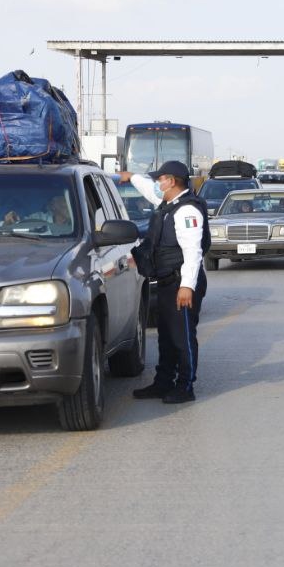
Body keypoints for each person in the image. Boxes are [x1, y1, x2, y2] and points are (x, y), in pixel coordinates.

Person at [119, 161, 209, 404]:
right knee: (166, 336)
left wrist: (187, 286)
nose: (158, 183)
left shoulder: (187, 211)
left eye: (160, 179)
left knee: (182, 337)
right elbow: (150, 191)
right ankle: (163, 383)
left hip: (182, 282)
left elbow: (193, 251)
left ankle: (185, 386)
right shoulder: (169, 204)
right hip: (168, 281)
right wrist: (132, 177)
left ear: (171, 181)